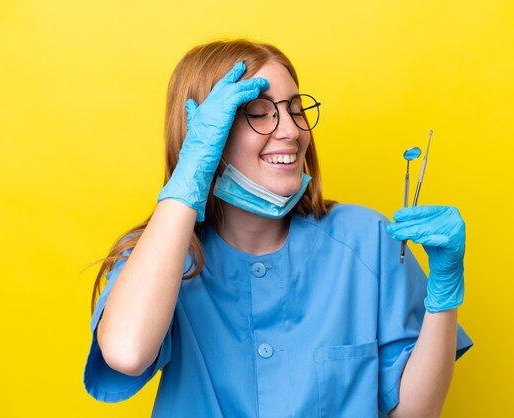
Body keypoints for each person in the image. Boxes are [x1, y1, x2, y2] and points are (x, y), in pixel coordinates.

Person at [83, 39, 473, 418]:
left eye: (295, 109)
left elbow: (416, 413)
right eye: (259, 111)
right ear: (206, 131)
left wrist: (443, 295)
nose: (291, 130)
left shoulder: (366, 239)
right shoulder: (163, 257)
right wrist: (190, 174)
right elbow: (127, 353)